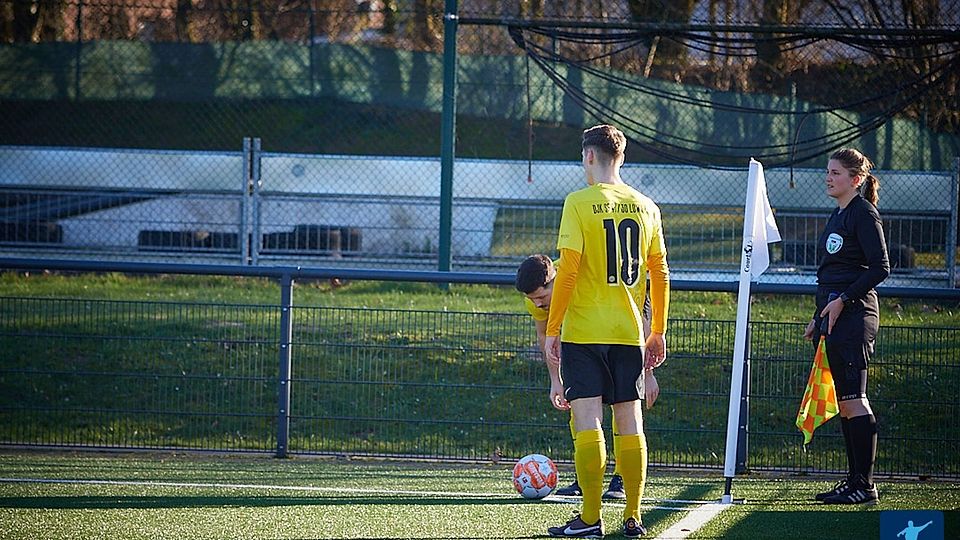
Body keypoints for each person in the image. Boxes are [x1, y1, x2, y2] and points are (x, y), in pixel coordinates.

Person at [544, 125, 670, 538]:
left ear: (589, 157)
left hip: (584, 330)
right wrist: (658, 330)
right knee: (629, 421)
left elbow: (567, 273)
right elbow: (660, 273)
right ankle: (633, 516)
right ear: (622, 158)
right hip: (630, 331)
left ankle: (590, 518)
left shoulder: (579, 202)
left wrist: (552, 327)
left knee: (587, 422)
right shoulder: (646, 205)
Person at [515, 255, 659, 501]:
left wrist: (648, 372)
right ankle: (586, 478)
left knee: (622, 404)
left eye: (541, 297)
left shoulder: (585, 279)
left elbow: (637, 319)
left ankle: (621, 478)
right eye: (532, 299)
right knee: (579, 403)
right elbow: (544, 337)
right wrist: (556, 381)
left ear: (557, 281)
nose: (537, 304)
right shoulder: (537, 303)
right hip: (582, 336)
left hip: (624, 313)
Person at [803, 148, 889, 506]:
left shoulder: (864, 214)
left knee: (855, 399)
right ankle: (853, 480)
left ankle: (865, 486)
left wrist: (844, 301)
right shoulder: (838, 213)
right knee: (845, 401)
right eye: (828, 171)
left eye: (836, 173)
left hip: (855, 317)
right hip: (833, 315)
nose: (828, 177)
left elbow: (880, 266)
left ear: (856, 179)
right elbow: (832, 272)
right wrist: (819, 313)